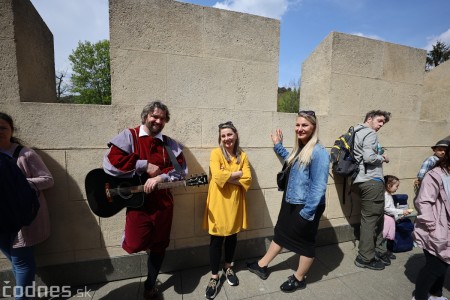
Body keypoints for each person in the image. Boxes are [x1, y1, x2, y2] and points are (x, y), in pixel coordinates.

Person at [103, 101, 187, 299]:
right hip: (137, 205)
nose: (158, 121)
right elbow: (110, 162)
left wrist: (160, 177)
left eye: (162, 118)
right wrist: (144, 165)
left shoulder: (170, 144)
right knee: (133, 243)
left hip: (163, 205)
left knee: (159, 246)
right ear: (145, 116)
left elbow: (181, 171)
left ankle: (150, 285)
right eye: (154, 116)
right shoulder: (129, 136)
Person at [246, 110, 329, 293]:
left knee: (305, 242)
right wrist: (278, 146)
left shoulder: (319, 152)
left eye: (304, 125)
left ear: (314, 127)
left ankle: (299, 278)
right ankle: (262, 265)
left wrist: (307, 213)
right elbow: (291, 161)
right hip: (291, 201)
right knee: (281, 234)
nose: (300, 129)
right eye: (298, 125)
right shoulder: (301, 148)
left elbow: (318, 187)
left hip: (306, 206)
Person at [0, 112, 54, 300]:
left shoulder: (25, 154)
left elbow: (48, 180)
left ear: (11, 130)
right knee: (15, 261)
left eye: (3, 128)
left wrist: (20, 184)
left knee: (22, 262)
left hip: (24, 218)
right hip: (1, 219)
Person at [202, 121, 252, 299]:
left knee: (232, 236)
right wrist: (237, 174)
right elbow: (216, 176)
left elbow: (248, 179)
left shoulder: (242, 156)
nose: (226, 138)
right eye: (223, 136)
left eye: (229, 135)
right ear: (220, 138)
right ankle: (214, 277)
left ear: (236, 135)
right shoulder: (216, 153)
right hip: (217, 203)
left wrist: (228, 176)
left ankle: (228, 267)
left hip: (235, 203)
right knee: (216, 239)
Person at [352, 110, 391, 270]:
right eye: (379, 121)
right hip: (371, 181)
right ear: (369, 118)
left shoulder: (355, 131)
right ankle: (365, 258)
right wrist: (383, 157)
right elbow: (369, 158)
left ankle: (379, 251)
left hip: (359, 181)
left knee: (377, 217)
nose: (381, 125)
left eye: (383, 122)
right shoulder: (370, 133)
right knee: (371, 220)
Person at [412, 147, 450, 300]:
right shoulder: (436, 174)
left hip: (445, 229)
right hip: (437, 229)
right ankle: (419, 297)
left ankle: (436, 294)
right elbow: (424, 202)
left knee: (444, 264)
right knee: (435, 267)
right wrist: (432, 227)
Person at [382, 175, 411, 259]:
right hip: (387, 220)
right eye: (396, 186)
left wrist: (400, 215)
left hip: (390, 219)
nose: (397, 188)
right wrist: (401, 211)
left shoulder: (388, 194)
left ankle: (388, 252)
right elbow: (387, 209)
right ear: (389, 185)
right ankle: (383, 252)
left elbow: (392, 209)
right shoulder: (386, 195)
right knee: (385, 236)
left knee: (390, 237)